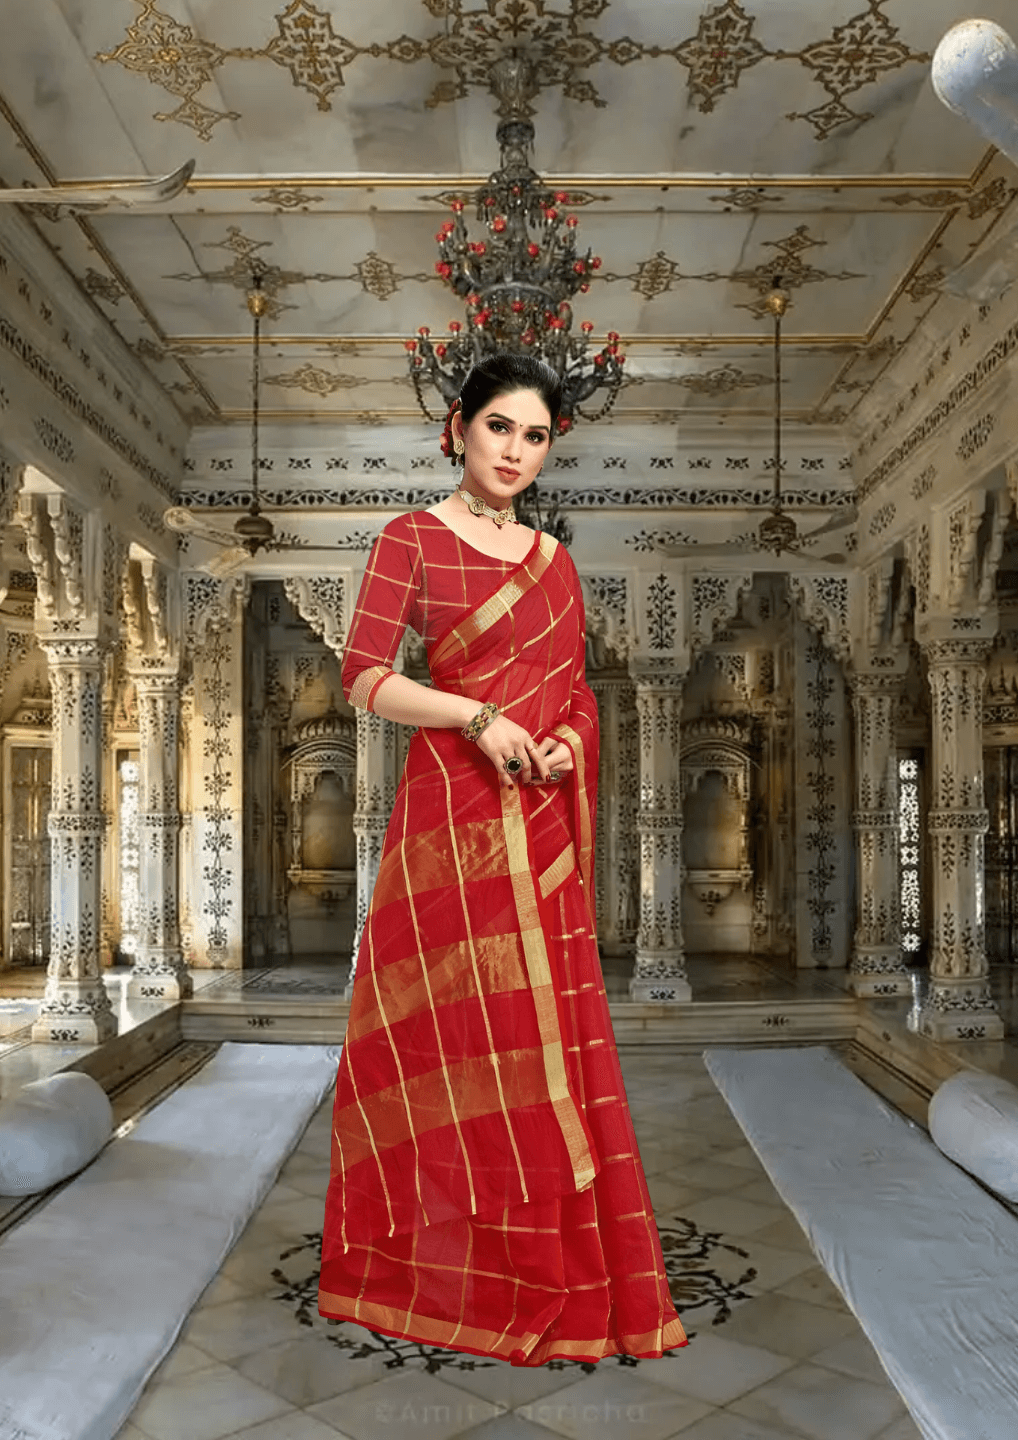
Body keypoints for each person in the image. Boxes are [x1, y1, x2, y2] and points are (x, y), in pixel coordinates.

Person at [318, 352, 687, 1366]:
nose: (516, 451)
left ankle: (546, 1264)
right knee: (440, 1040)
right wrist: (477, 717)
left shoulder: (555, 561)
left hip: (537, 827)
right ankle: (429, 1268)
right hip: (448, 821)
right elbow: (364, 677)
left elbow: (574, 692)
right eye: (499, 429)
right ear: (458, 427)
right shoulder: (411, 541)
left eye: (535, 436)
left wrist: (568, 739)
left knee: (539, 1042)